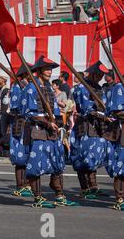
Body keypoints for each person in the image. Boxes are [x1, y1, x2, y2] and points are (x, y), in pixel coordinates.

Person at [22, 55, 79, 208]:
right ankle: (38, 197)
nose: (49, 71)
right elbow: (30, 113)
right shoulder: (30, 88)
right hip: (38, 130)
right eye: (46, 69)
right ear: (39, 70)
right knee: (36, 164)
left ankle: (59, 195)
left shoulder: (48, 87)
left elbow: (54, 109)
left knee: (57, 161)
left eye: (50, 69)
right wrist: (47, 123)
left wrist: (60, 123)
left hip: (52, 130)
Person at [70, 61, 111, 199]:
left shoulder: (99, 88)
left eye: (102, 75)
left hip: (98, 126)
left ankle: (93, 186)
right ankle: (84, 188)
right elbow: (86, 108)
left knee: (94, 156)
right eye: (98, 74)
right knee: (82, 156)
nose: (100, 77)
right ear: (92, 73)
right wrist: (99, 111)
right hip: (85, 125)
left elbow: (105, 106)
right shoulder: (81, 87)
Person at [9, 64, 33, 197]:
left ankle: (28, 184)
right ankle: (21, 185)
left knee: (29, 155)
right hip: (20, 123)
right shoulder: (17, 87)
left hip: (30, 124)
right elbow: (14, 107)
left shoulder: (30, 86)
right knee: (20, 156)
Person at [104, 73, 124, 211]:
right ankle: (120, 198)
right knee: (121, 167)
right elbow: (116, 111)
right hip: (122, 132)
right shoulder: (119, 87)